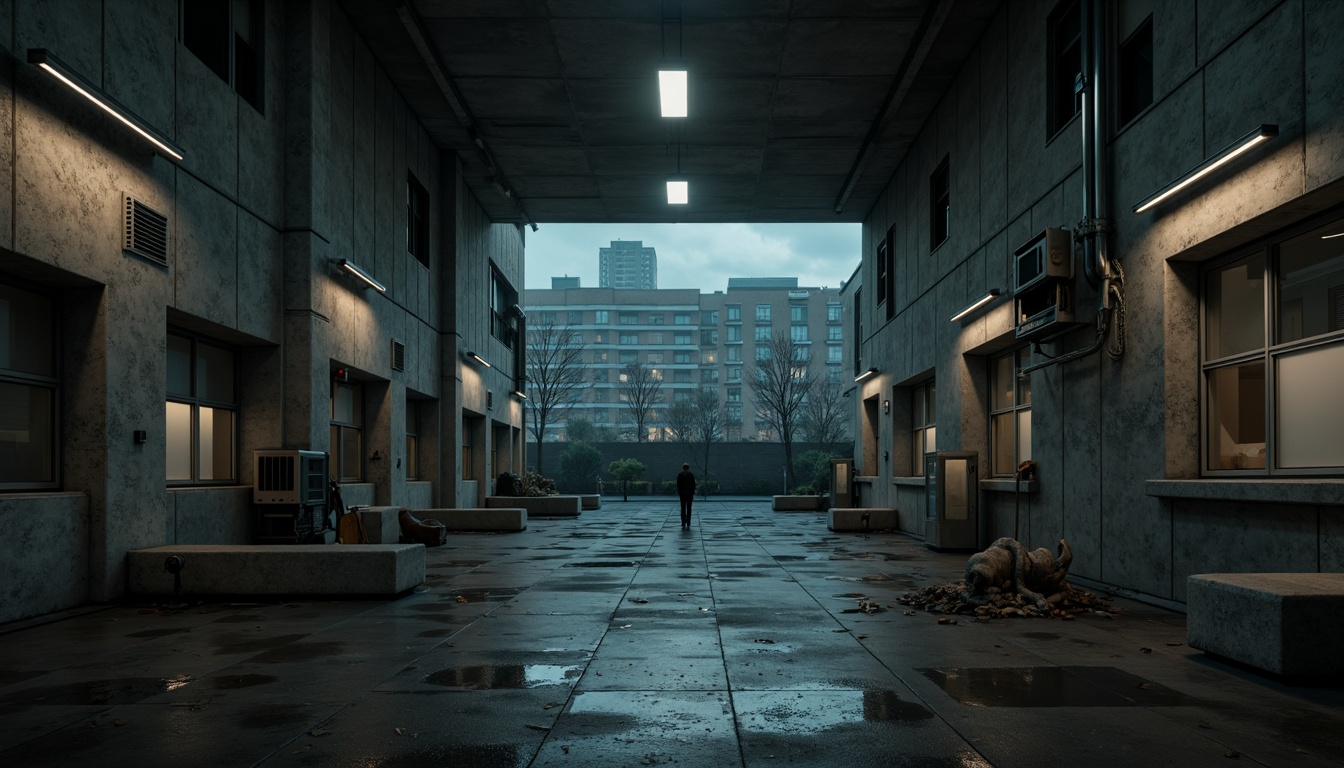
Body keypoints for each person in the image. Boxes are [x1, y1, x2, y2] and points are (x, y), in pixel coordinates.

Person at [676, 463, 697, 529]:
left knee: (683, 508)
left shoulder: (680, 475)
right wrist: (693, 492)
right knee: (689, 508)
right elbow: (693, 484)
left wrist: (679, 492)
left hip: (682, 494)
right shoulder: (691, 475)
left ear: (683, 468)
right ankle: (688, 522)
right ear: (688, 468)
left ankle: (683, 522)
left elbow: (678, 484)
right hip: (689, 494)